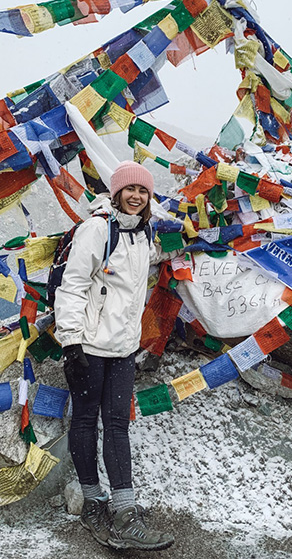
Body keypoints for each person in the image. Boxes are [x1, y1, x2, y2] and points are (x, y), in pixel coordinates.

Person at [54, 161, 175, 551]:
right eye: (130, 190)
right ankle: (93, 502)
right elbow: (72, 286)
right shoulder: (97, 229)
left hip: (123, 347)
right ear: (117, 191)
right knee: (86, 421)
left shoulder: (143, 233)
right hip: (87, 345)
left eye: (143, 191)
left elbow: (138, 273)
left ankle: (125, 513)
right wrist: (70, 342)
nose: (136, 197)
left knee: (118, 425)